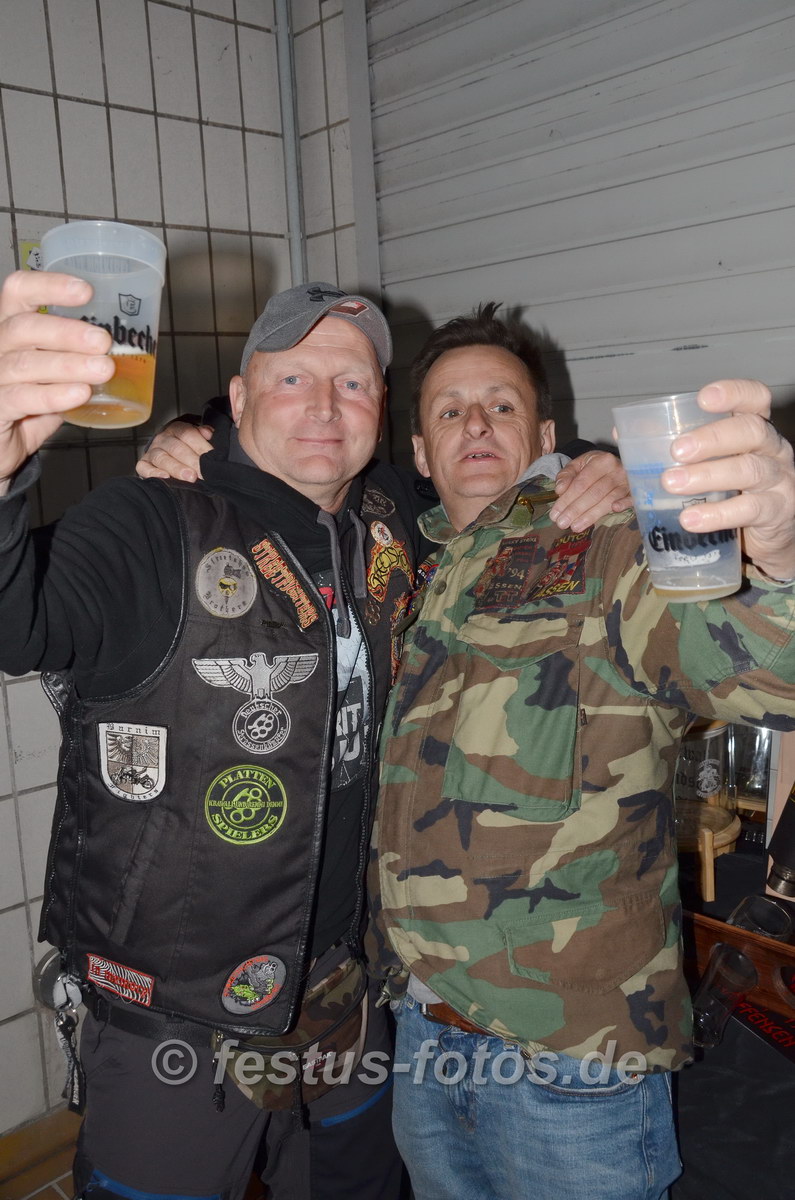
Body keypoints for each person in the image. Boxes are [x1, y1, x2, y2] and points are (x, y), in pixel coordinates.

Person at [0, 271, 625, 1200]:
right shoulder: (152, 520)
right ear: (239, 399)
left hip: (346, 992)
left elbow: (487, 469)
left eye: (352, 382)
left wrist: (593, 464)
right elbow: (19, 625)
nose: (325, 406)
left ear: (382, 415)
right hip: (179, 1015)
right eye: (292, 379)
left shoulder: (391, 522)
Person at [368, 306, 795, 1200]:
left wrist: (780, 555)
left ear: (544, 439)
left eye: (501, 406)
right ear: (418, 453)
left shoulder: (608, 549)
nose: (474, 424)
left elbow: (764, 670)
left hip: (569, 1065)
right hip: (424, 1034)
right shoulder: (410, 567)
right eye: (449, 410)